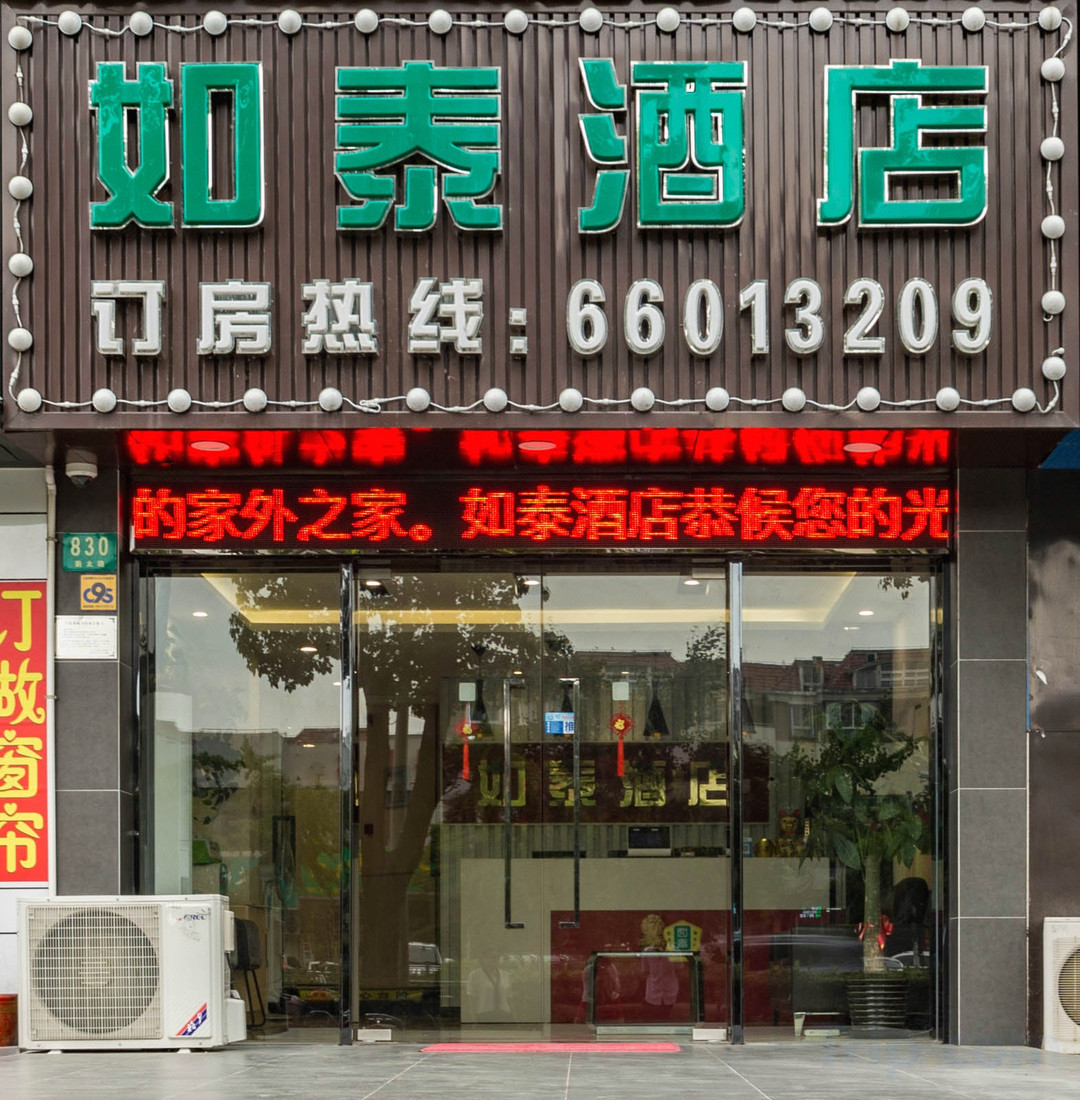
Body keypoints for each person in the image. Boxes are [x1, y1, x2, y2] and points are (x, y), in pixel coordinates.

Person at [640, 914, 679, 1020]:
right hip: (653, 993)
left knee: (667, 1018)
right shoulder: (647, 950)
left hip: (669, 992)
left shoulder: (674, 949)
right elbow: (645, 971)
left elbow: (679, 969)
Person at [466, 947, 513, 1023]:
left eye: (497, 957)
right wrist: (473, 1020)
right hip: (485, 1015)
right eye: (491, 956)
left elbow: (509, 998)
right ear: (484, 958)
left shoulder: (505, 975)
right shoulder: (475, 975)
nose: (495, 959)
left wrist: (515, 1019)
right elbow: (472, 999)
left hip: (504, 1014)